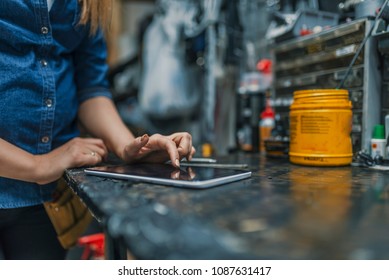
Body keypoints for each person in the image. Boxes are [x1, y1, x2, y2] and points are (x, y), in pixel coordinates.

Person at [0, 0, 196, 260]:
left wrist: (129, 147)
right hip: (41, 174)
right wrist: (38, 166)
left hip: (43, 198)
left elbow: (91, 88)